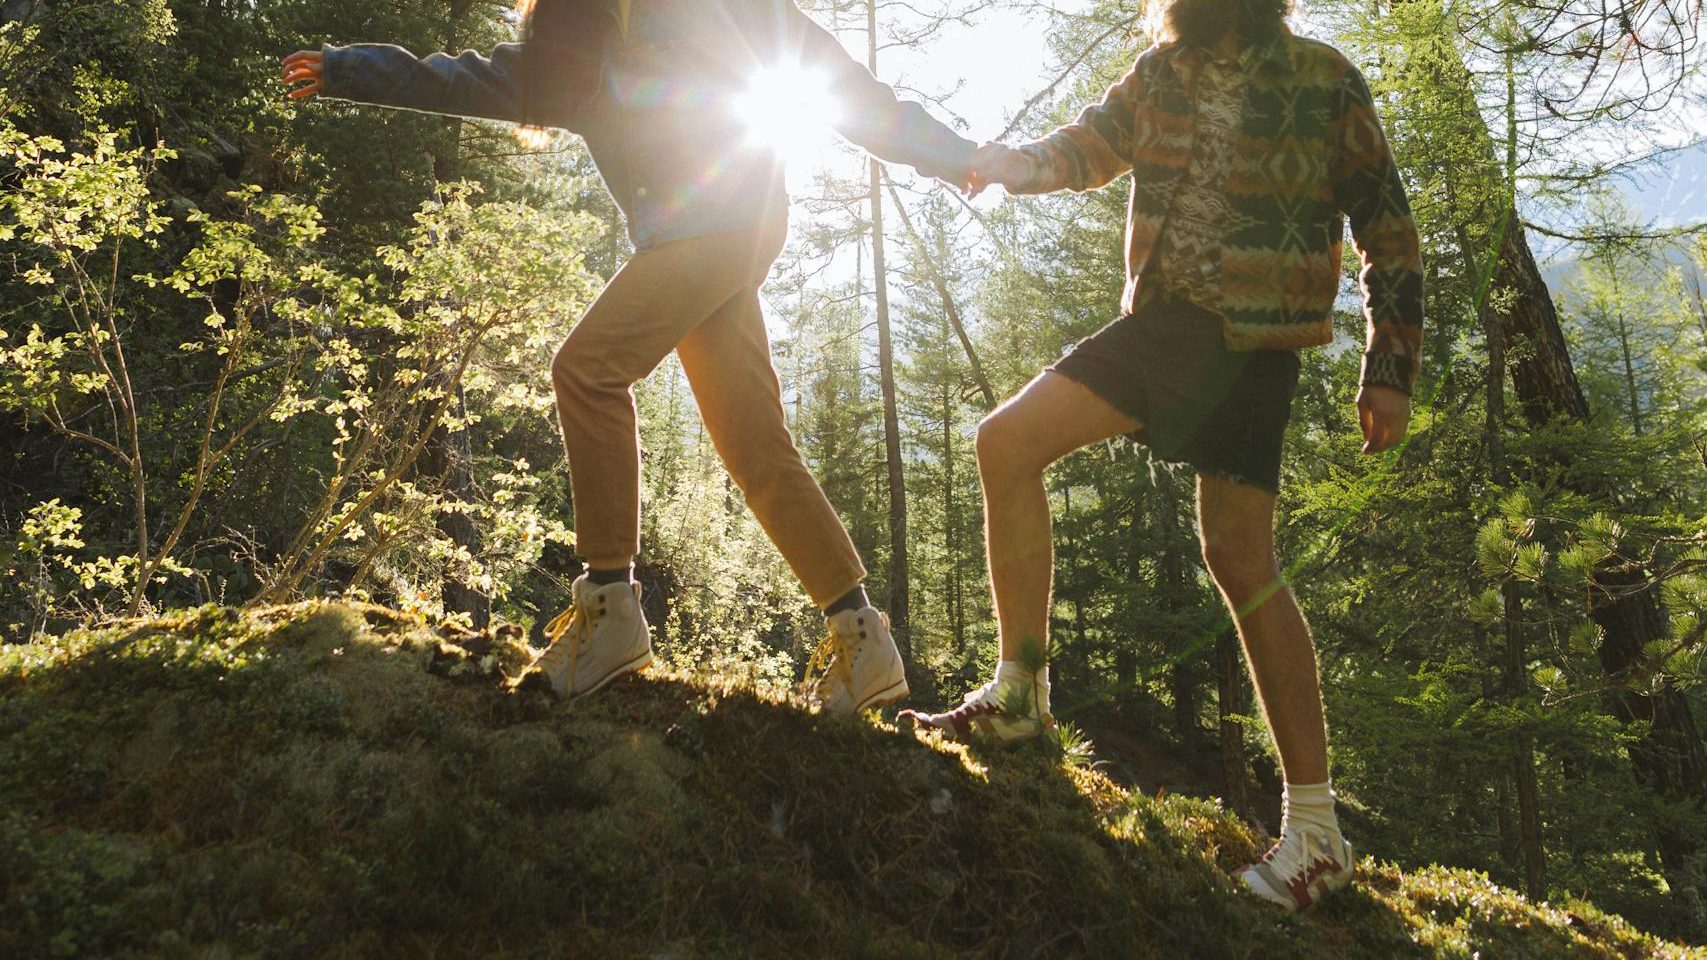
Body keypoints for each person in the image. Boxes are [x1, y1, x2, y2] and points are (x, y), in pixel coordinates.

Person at [281, 0, 989, 714]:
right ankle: (861, 638)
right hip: (707, 238)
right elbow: (461, 80)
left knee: (587, 370)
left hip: (725, 222)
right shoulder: (572, 48)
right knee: (753, 444)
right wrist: (347, 69)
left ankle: (611, 607)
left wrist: (953, 154)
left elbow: (839, 85)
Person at [901, 0, 1423, 912]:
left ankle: (1315, 832)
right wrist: (1009, 165)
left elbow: (1388, 228)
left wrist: (1389, 369)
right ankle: (1020, 692)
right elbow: (1087, 147)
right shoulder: (1159, 73)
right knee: (1006, 441)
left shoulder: (1321, 77)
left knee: (1240, 558)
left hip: (1255, 346)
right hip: (1163, 330)